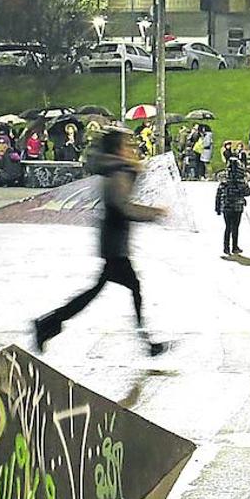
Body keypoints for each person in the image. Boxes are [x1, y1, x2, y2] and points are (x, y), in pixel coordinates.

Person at [34, 127, 166, 355]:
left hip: (113, 242)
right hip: (115, 244)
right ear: (117, 148)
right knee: (127, 289)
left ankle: (48, 324)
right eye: (126, 145)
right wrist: (153, 213)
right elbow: (122, 207)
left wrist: (135, 171)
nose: (131, 149)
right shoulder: (117, 173)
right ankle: (147, 342)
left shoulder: (118, 170)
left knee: (103, 290)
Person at [214, 156, 250, 254]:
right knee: (235, 227)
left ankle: (226, 247)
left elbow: (218, 195)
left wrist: (217, 208)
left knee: (227, 227)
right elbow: (248, 192)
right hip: (237, 207)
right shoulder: (241, 179)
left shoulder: (224, 180)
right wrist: (246, 183)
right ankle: (235, 247)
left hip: (226, 207)